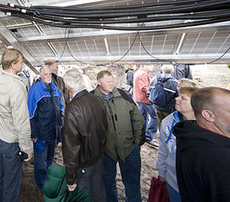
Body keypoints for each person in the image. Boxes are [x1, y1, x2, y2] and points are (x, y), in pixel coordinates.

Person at [93, 70, 144, 202]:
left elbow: (137, 117)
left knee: (132, 182)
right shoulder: (92, 99)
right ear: (99, 82)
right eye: (108, 81)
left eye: (112, 81)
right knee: (107, 182)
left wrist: (137, 141)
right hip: (105, 150)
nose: (112, 84)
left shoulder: (123, 95)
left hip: (129, 148)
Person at [0, 48, 33, 202]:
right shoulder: (16, 87)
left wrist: (4, 52)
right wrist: (27, 148)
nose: (22, 64)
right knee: (11, 182)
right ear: (13, 65)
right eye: (20, 61)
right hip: (10, 141)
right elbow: (21, 122)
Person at [62, 69, 108, 202]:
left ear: (68, 87)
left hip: (83, 165)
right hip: (98, 158)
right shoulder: (97, 99)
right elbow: (105, 127)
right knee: (99, 193)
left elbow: (71, 147)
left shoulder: (72, 109)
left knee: (83, 197)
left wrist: (70, 178)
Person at [157, 85, 199, 202]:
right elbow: (163, 150)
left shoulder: (208, 125)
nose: (176, 98)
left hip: (198, 187)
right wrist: (162, 172)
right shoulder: (168, 122)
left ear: (196, 104)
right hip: (174, 183)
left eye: (183, 98)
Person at [27, 65, 64, 190]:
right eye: (46, 74)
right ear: (41, 75)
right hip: (41, 133)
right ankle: (41, 185)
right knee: (40, 162)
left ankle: (47, 180)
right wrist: (34, 133)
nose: (48, 76)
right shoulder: (35, 90)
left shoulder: (54, 88)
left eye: (49, 74)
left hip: (53, 131)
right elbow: (30, 113)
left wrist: (61, 125)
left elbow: (60, 107)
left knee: (49, 158)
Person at [133, 64, 158, 146]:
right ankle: (149, 136)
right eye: (150, 66)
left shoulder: (137, 72)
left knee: (144, 117)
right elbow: (144, 87)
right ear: (145, 66)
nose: (152, 67)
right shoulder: (143, 74)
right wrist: (152, 96)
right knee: (155, 117)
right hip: (145, 99)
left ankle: (141, 134)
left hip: (139, 98)